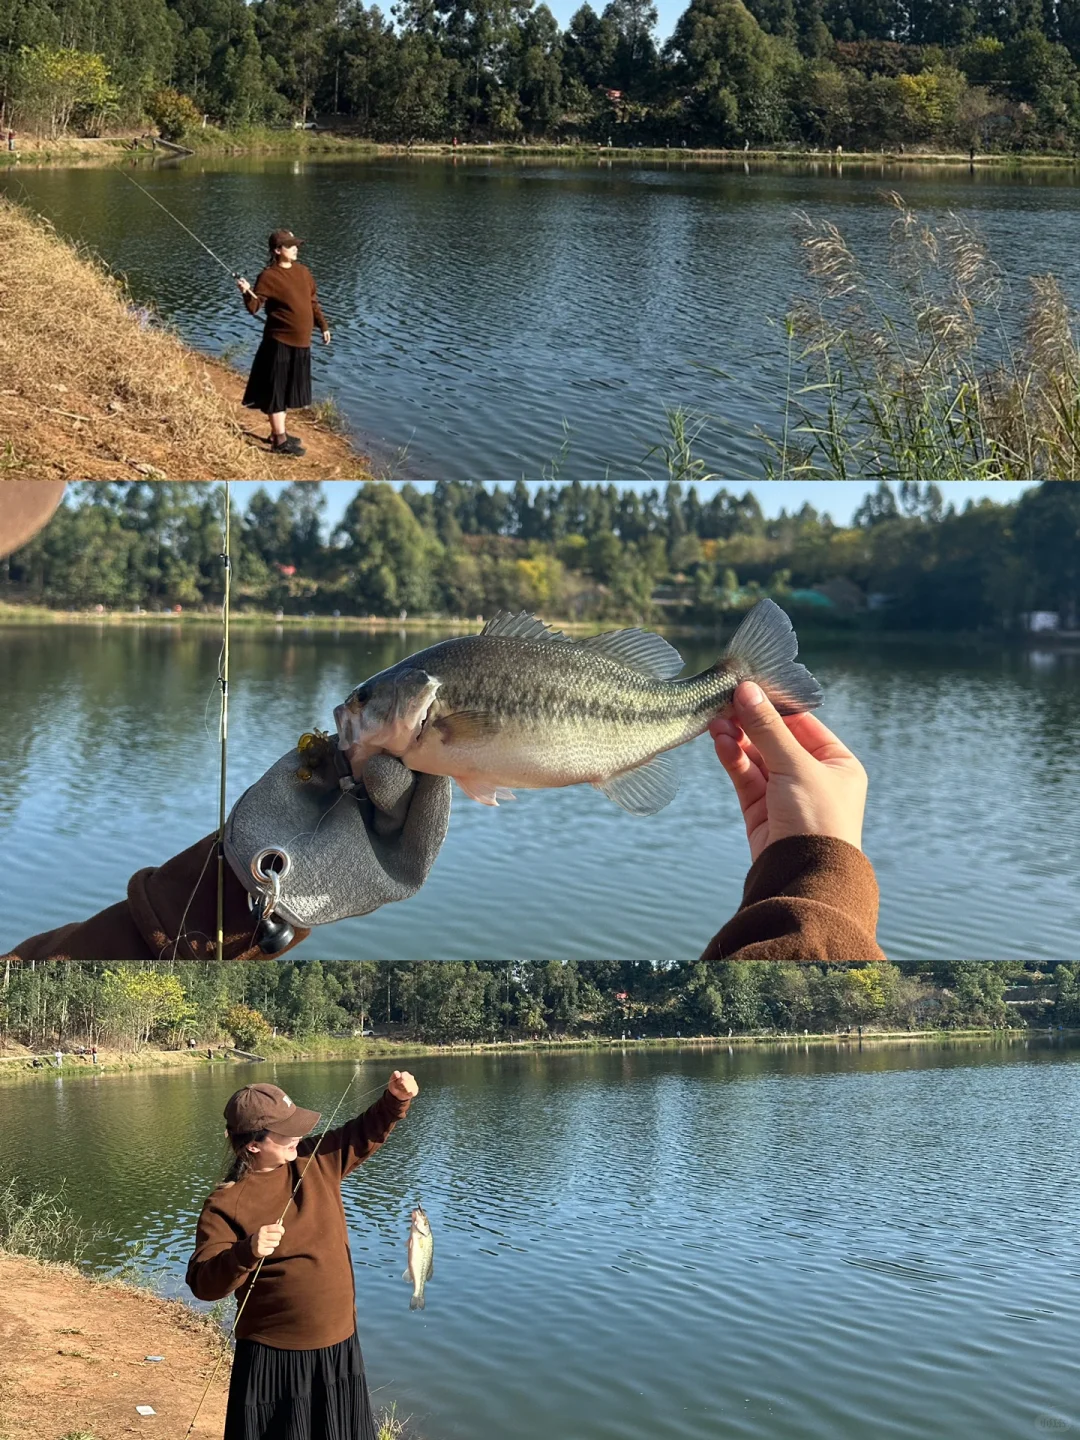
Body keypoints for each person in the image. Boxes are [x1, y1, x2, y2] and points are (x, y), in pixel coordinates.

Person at [2, 481, 884, 964]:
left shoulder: (433, 724)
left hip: (640, 737)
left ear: (421, 703)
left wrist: (249, 885)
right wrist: (816, 874)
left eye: (368, 704)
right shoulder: (423, 730)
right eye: (359, 709)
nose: (353, 717)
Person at [186, 1073, 417, 1440]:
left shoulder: (315, 1160)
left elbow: (364, 1130)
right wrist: (246, 1252)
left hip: (337, 1343)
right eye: (285, 1131)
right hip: (273, 1356)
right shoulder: (224, 1203)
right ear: (253, 1145)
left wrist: (395, 1099)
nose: (298, 1135)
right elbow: (203, 1283)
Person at [235, 230, 331, 458]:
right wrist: (246, 292)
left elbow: (312, 302)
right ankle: (279, 440)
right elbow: (254, 307)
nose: (296, 248)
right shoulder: (268, 276)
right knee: (276, 391)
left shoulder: (303, 272)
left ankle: (279, 432)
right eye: (290, 245)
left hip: (301, 343)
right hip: (278, 342)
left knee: (286, 390)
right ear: (278, 251)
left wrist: (323, 326)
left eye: (296, 244)